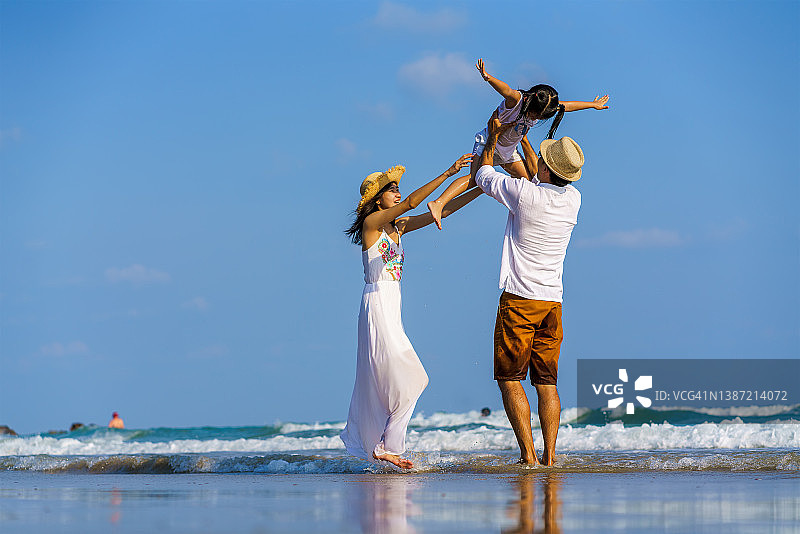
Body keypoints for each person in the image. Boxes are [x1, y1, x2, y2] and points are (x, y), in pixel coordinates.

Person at [341, 154, 480, 469]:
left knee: (405, 382)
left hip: (392, 305)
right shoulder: (372, 225)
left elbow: (440, 210)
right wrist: (448, 173)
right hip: (377, 304)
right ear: (377, 200)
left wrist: (482, 190)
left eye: (396, 188)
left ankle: (385, 447)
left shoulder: (398, 228)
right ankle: (388, 446)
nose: (397, 193)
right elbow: (413, 203)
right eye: (391, 190)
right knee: (414, 378)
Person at [474, 115, 584, 466]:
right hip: (553, 302)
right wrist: (522, 139)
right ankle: (550, 456)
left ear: (547, 169)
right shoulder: (574, 199)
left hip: (521, 299)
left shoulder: (524, 194)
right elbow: (539, 176)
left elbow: (483, 174)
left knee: (509, 379)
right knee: (547, 383)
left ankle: (529, 456)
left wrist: (495, 138)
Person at [427, 58, 607, 229]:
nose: (536, 119)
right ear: (531, 102)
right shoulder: (517, 101)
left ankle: (526, 216)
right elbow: (506, 90)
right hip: (489, 145)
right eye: (536, 115)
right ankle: (439, 203)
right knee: (475, 179)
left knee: (530, 182)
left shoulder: (543, 106)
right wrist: (488, 78)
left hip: (509, 151)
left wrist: (592, 104)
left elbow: (566, 106)